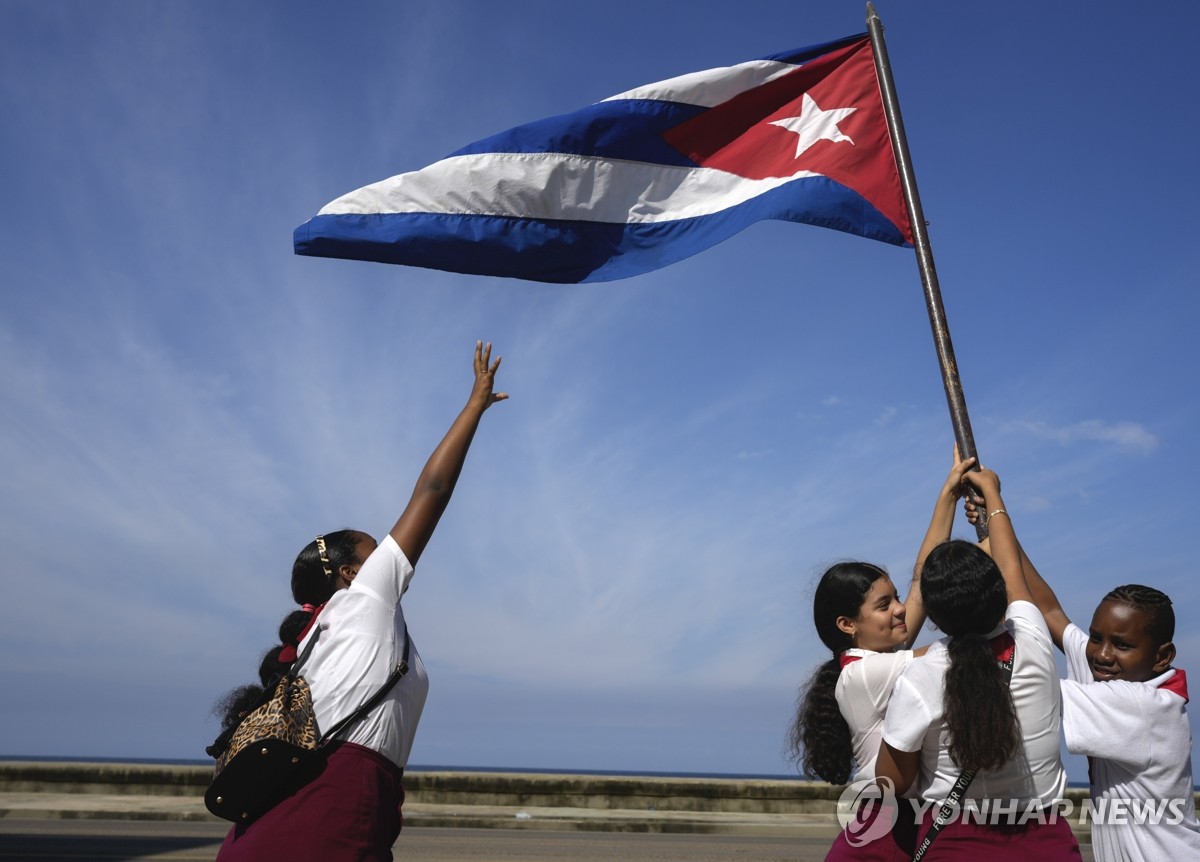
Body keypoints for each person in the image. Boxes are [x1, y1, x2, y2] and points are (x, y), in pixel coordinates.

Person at [212, 341, 506, 861]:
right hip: (327, 815)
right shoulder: (364, 599)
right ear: (350, 573)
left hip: (303, 820)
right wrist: (474, 406)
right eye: (376, 548)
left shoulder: (323, 635)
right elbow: (432, 490)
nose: (391, 549)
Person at [964, 500, 1200, 860]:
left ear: (1162, 657)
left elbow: (1032, 679)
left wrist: (994, 518)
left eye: (1122, 645)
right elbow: (1048, 610)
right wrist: (996, 522)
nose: (1102, 654)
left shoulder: (1147, 707)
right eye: (1096, 637)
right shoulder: (1105, 670)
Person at [876, 465, 1082, 860]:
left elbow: (890, 781)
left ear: (935, 618)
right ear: (999, 593)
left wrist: (948, 496)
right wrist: (993, 497)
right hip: (1046, 843)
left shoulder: (921, 676)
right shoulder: (1033, 638)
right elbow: (1012, 567)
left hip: (955, 844)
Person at [790, 452, 978, 861]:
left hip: (902, 820)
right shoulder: (863, 674)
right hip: (884, 828)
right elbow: (952, 650)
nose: (898, 609)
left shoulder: (882, 661)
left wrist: (948, 494)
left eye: (895, 599)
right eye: (883, 605)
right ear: (847, 624)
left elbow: (921, 581)